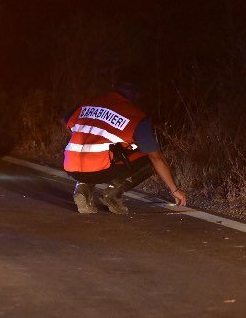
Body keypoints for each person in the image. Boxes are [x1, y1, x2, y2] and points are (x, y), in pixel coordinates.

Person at [62, 73, 188, 214]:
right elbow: (156, 157)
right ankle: (112, 194)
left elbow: (65, 120)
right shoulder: (135, 116)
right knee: (148, 158)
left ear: (114, 86)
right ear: (138, 94)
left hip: (71, 166)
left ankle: (83, 187)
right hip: (98, 168)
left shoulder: (90, 102)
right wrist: (175, 190)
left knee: (100, 154)